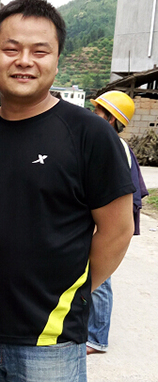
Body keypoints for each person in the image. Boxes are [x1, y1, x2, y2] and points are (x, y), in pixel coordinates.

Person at [0, 0, 135, 382]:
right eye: (11, 49)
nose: (24, 61)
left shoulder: (89, 134)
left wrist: (73, 295)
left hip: (50, 343)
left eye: (39, 51)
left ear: (56, 60)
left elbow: (117, 230)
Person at [87, 90, 148, 355]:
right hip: (106, 214)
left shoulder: (113, 145)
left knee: (101, 275)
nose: (93, 115)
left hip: (111, 218)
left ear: (110, 118)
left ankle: (97, 339)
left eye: (98, 112)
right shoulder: (107, 141)